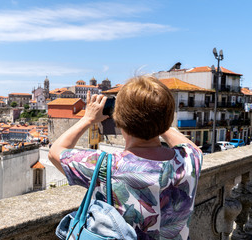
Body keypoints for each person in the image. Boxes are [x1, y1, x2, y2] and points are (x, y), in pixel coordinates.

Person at [48, 75, 203, 239]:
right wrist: (158, 119)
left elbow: (55, 151)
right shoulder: (190, 160)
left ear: (119, 119)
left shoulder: (106, 167)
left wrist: (88, 118)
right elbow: (191, 147)